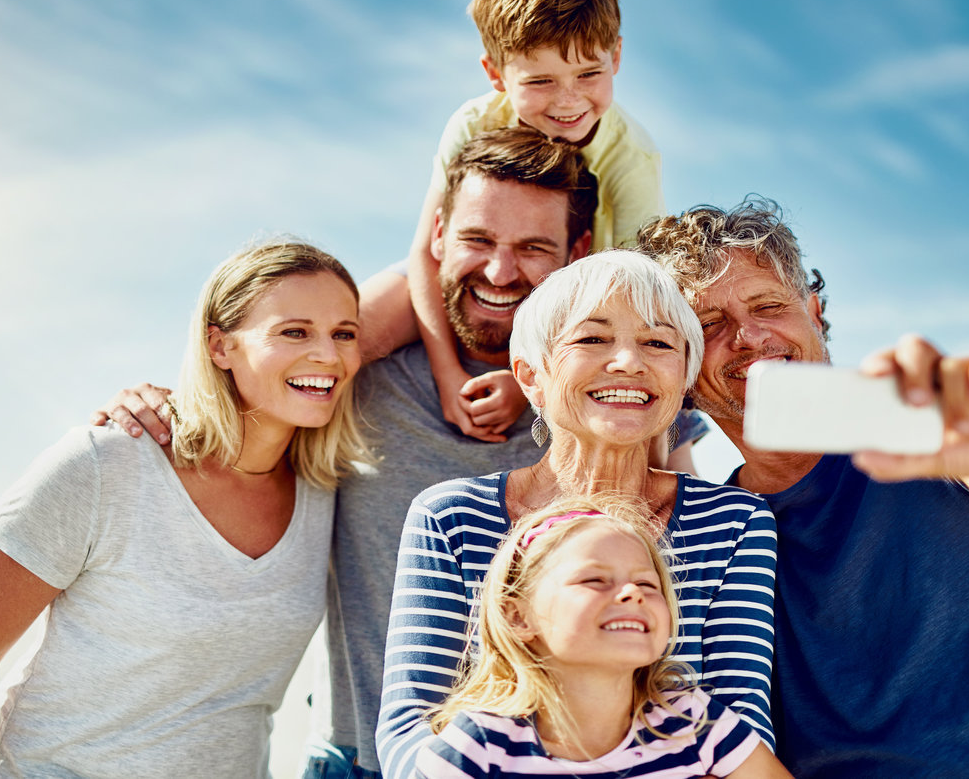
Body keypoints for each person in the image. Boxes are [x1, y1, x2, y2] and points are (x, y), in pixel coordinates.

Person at [94, 128, 596, 779]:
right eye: (478, 240)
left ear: (578, 251)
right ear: (437, 236)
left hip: (554, 766)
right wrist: (158, 403)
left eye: (533, 248)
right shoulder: (358, 384)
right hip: (357, 760)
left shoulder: (610, 400)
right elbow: (252, 386)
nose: (501, 272)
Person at [635, 198, 969, 778]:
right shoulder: (712, 534)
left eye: (769, 305)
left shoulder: (935, 441)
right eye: (709, 324)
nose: (746, 336)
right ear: (683, 363)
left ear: (814, 313)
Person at [0, 240, 373, 778]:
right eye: (294, 331)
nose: (328, 354)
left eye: (344, 333)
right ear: (220, 346)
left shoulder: (327, 493)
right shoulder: (106, 465)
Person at [376, 251, 785, 779]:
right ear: (531, 375)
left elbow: (742, 726)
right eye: (592, 339)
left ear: (683, 376)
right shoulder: (449, 516)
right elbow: (411, 729)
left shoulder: (737, 522)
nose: (628, 362)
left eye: (658, 343)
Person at [358, 0, 675, 452]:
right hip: (469, 257)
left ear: (616, 56)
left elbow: (637, 287)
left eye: (589, 75)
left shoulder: (631, 154)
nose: (569, 101)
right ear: (495, 73)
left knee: (655, 423)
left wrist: (528, 383)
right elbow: (425, 249)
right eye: (540, 81)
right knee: (356, 328)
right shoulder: (471, 123)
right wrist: (446, 374)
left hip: (583, 283)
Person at [414, 498, 781, 779]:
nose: (631, 594)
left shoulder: (695, 723)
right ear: (517, 616)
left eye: (647, 584)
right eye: (594, 580)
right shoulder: (478, 746)